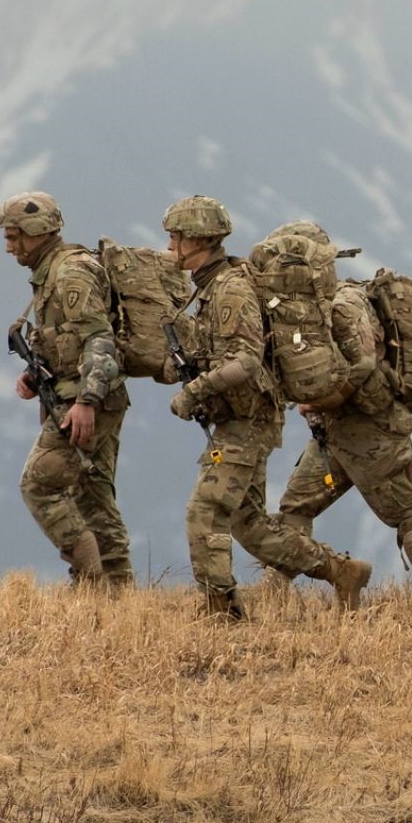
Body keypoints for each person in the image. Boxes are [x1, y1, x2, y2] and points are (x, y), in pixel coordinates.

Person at [162, 196, 371, 616]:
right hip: (239, 419)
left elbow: (244, 361)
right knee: (248, 524)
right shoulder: (210, 287)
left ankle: (222, 611)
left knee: (205, 512)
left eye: (175, 237)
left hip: (247, 421)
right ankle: (342, 572)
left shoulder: (230, 289)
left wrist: (193, 392)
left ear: (198, 239)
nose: (169, 246)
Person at [268, 220, 412, 590]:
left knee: (407, 513)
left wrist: (320, 399)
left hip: (372, 432)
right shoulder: (319, 306)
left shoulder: (343, 304)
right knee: (296, 506)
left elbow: (362, 365)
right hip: (336, 431)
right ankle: (274, 588)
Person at [0, 191, 133, 589]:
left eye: (15, 236)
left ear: (37, 231)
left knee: (39, 484)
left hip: (86, 402)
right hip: (81, 397)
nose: (9, 246)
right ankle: (119, 597)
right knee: (93, 500)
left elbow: (98, 339)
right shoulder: (51, 272)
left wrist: (86, 402)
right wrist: (37, 374)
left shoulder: (70, 273)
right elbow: (69, 339)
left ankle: (90, 585)